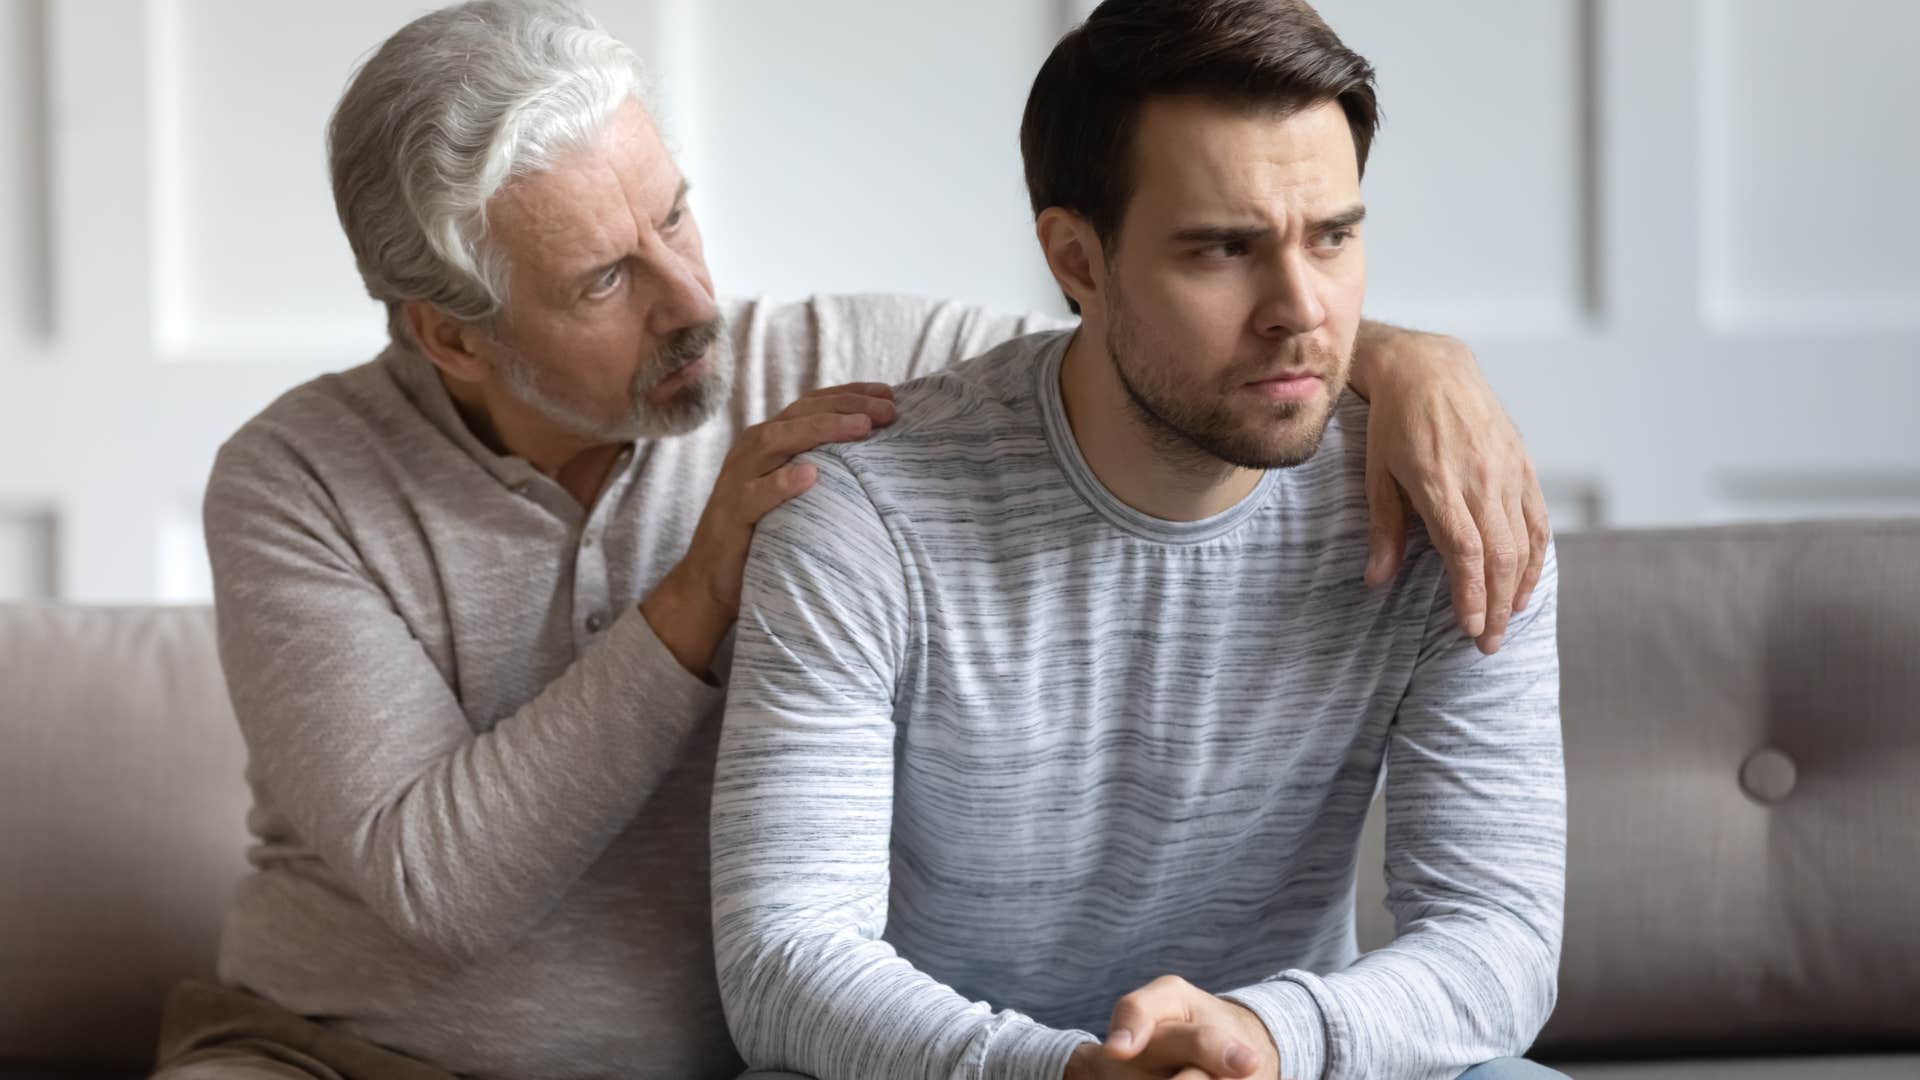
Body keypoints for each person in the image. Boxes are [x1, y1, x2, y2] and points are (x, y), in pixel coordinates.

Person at [156, 1, 1549, 1077]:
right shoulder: (297, 480)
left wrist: (1412, 363)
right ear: (451, 335)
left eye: (677, 212)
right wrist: (703, 584)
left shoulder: (837, 369)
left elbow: (1141, 346)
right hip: (331, 1053)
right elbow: (443, 883)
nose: (690, 298)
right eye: (605, 278)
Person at [711, 1, 1566, 1078]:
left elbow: (1501, 938)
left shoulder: (1449, 493)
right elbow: (783, 960)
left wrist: (1268, 1038)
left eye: (1333, 236)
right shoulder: (861, 518)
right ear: (1077, 259)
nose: (1301, 310)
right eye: (1223, 249)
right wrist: (1070, 1072)